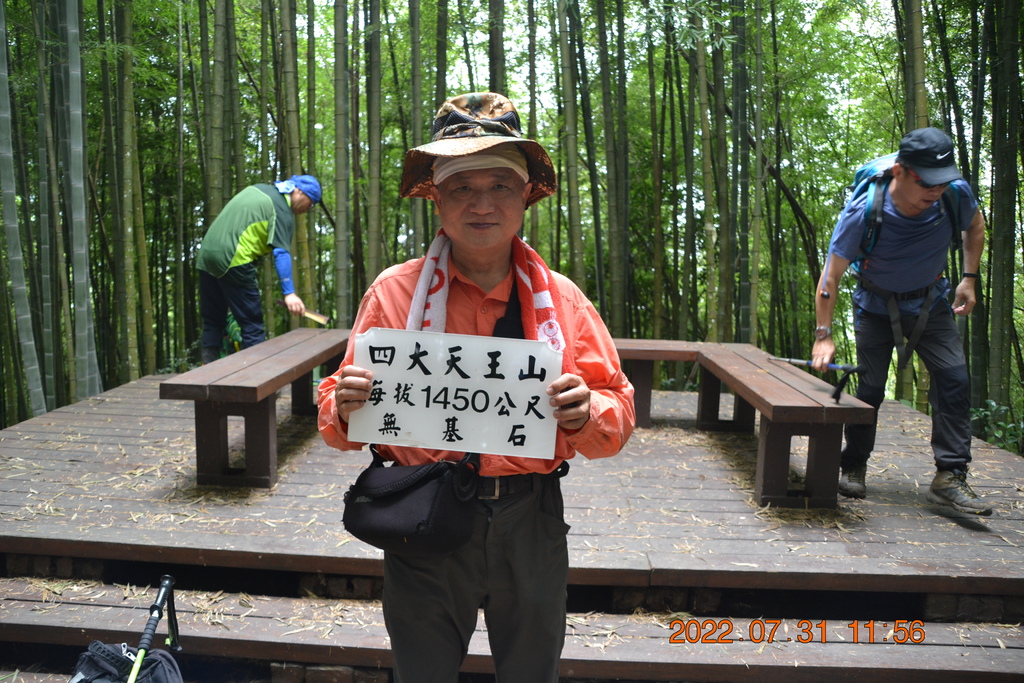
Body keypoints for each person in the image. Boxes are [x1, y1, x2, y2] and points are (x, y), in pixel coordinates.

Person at [317, 92, 635, 682]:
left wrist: (586, 410)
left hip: (530, 519)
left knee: (531, 670)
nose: (482, 204)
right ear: (437, 198)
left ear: (525, 197)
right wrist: (345, 402)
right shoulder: (393, 293)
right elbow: (337, 417)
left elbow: (616, 417)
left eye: (500, 186)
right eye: (462, 186)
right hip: (424, 514)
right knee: (422, 672)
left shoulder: (561, 301)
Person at [811, 127, 990, 515]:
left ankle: (950, 476)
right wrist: (823, 335)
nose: (936, 191)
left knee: (955, 378)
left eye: (943, 182)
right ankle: (854, 462)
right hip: (875, 306)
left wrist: (969, 278)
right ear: (900, 171)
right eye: (927, 182)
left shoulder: (954, 194)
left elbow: (974, 227)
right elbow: (830, 277)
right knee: (871, 390)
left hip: (931, 300)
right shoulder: (865, 211)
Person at [196, 174, 321, 363]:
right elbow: (281, 253)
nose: (306, 210)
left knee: (213, 321)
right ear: (299, 192)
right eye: (311, 204)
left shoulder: (258, 188)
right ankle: (256, 383)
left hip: (205, 256)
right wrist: (290, 293)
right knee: (252, 325)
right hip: (234, 259)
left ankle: (206, 373)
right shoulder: (282, 210)